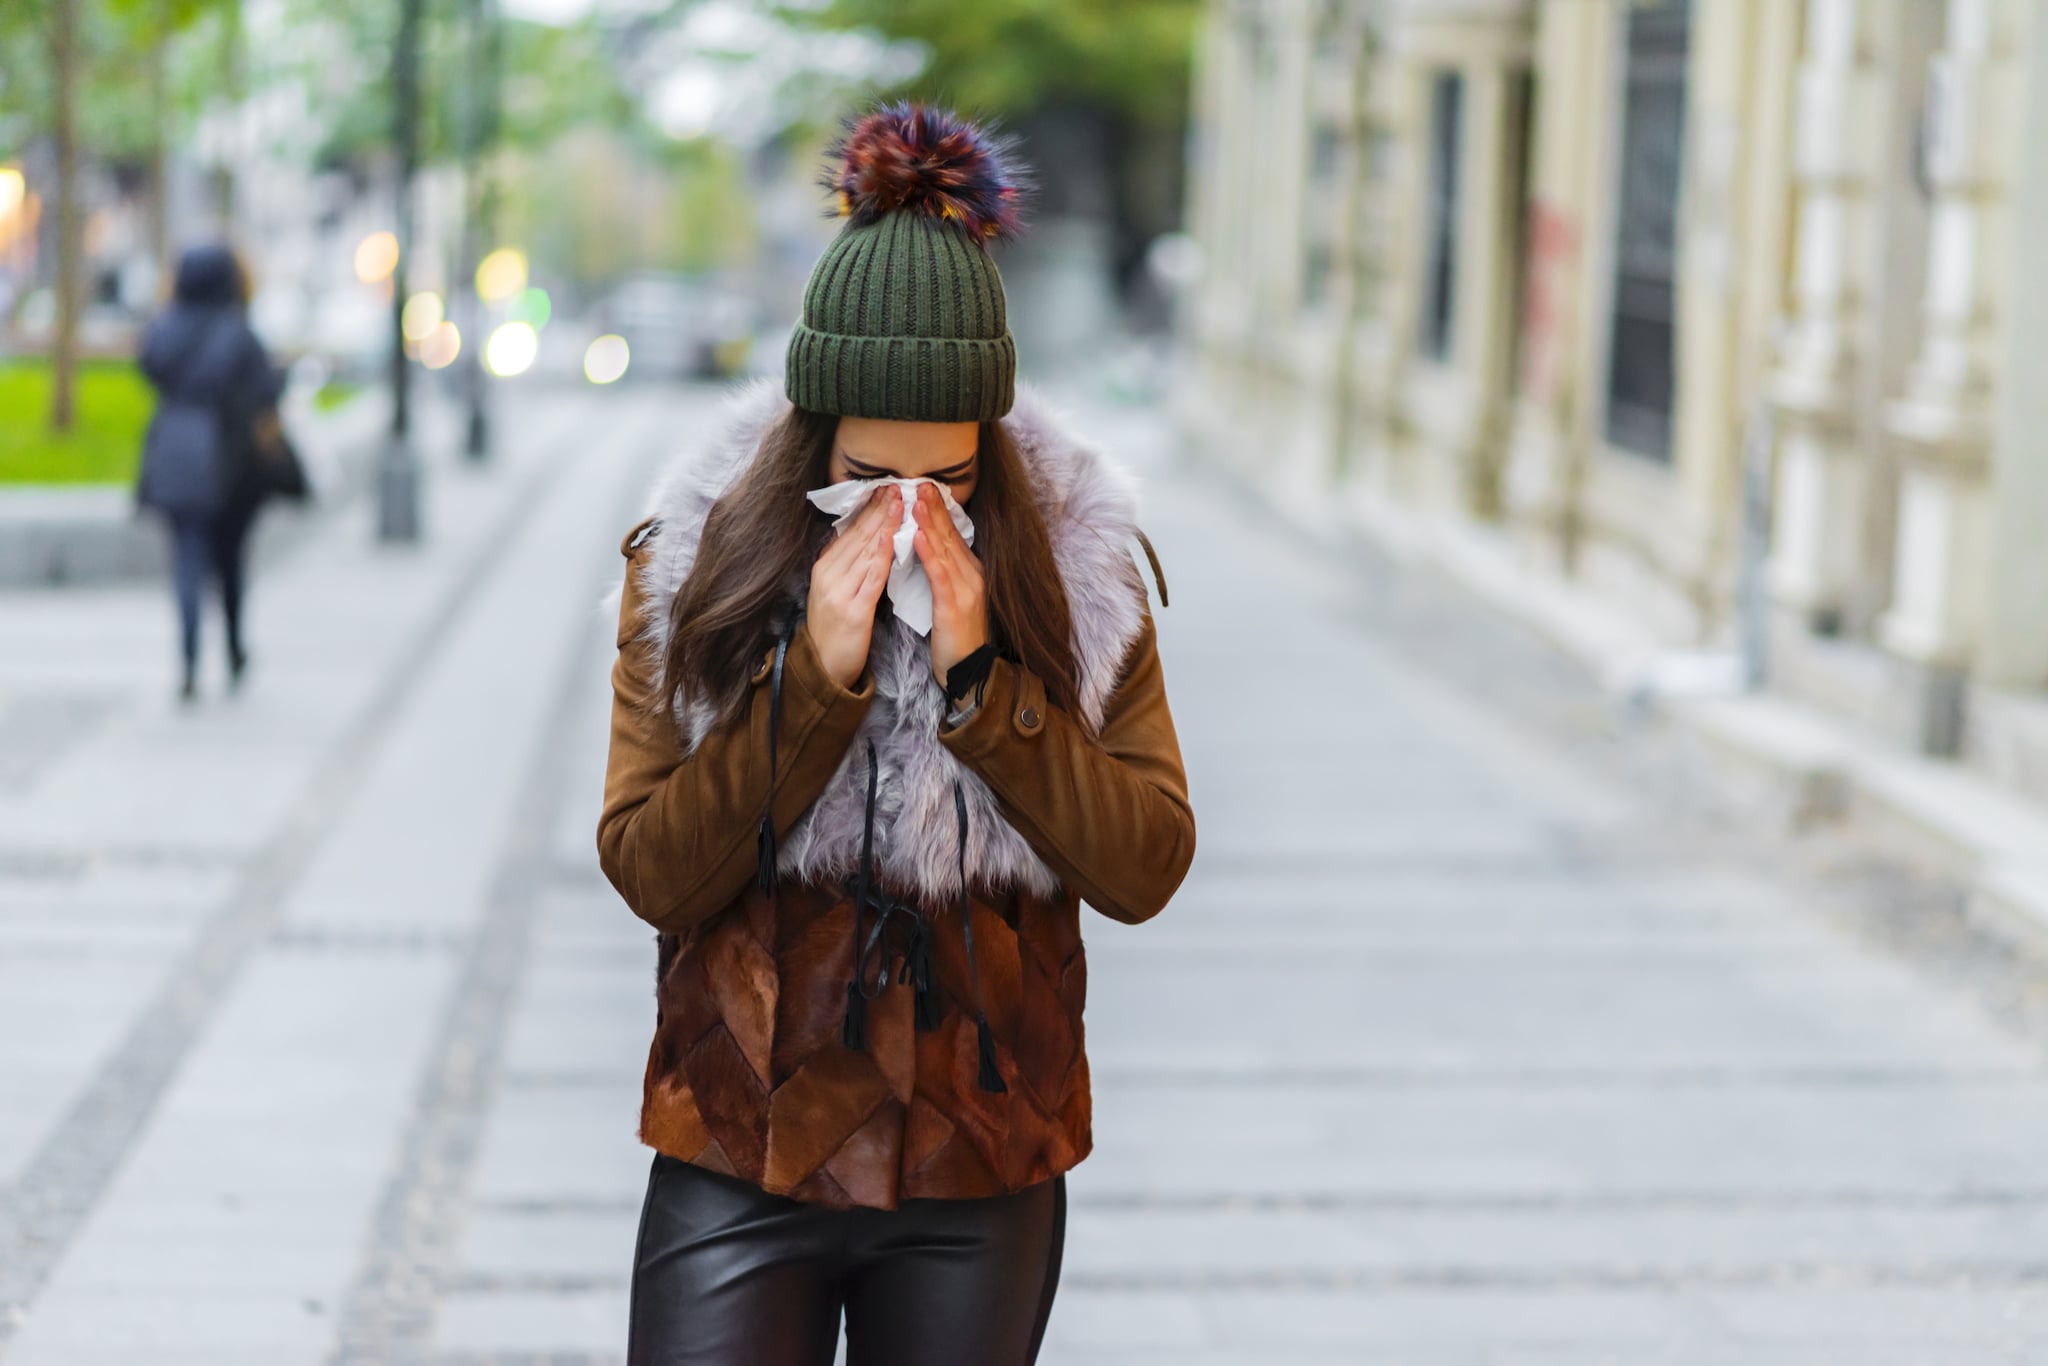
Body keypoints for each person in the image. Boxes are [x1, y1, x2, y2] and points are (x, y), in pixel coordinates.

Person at [598, 103, 1196, 1366]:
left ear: (993, 444)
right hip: (740, 1139)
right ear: (813, 437)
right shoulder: (693, 564)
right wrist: (809, 683)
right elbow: (654, 870)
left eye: (949, 484)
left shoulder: (1082, 575)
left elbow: (1144, 863)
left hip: (982, 1156)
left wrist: (987, 680)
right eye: (870, 479)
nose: (910, 518)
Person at [136, 244, 286, 701]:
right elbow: (268, 389)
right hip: (229, 456)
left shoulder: (164, 328)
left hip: (174, 451)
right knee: (230, 559)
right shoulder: (237, 331)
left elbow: (148, 368)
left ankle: (189, 659)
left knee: (185, 558)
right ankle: (235, 647)